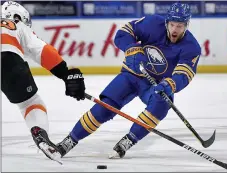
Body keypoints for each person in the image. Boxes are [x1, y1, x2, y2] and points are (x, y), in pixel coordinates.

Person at [57, 2, 201, 159]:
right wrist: (131, 48)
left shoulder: (191, 47)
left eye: (179, 26)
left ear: (187, 25)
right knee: (104, 108)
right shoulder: (152, 24)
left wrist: (170, 84)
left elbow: (184, 74)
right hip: (131, 75)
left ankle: (128, 140)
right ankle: (69, 141)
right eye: (172, 24)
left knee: (163, 102)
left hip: (154, 86)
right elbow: (122, 33)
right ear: (167, 22)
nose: (174, 29)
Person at [1, 1, 85, 161]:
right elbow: (44, 52)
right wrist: (66, 75)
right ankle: (39, 133)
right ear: (18, 16)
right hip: (7, 59)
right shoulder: (17, 25)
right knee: (30, 103)